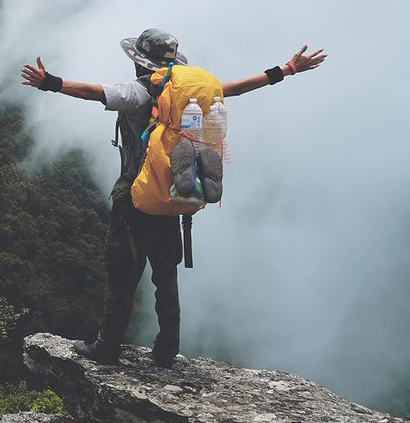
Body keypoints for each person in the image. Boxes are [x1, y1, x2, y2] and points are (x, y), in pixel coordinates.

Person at [19, 29, 327, 367]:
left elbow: (94, 92)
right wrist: (286, 69)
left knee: (122, 272)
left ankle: (107, 347)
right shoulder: (189, 93)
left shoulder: (137, 92)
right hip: (173, 192)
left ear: (140, 63)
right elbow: (234, 89)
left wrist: (49, 81)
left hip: (136, 196)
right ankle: (166, 350)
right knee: (166, 276)